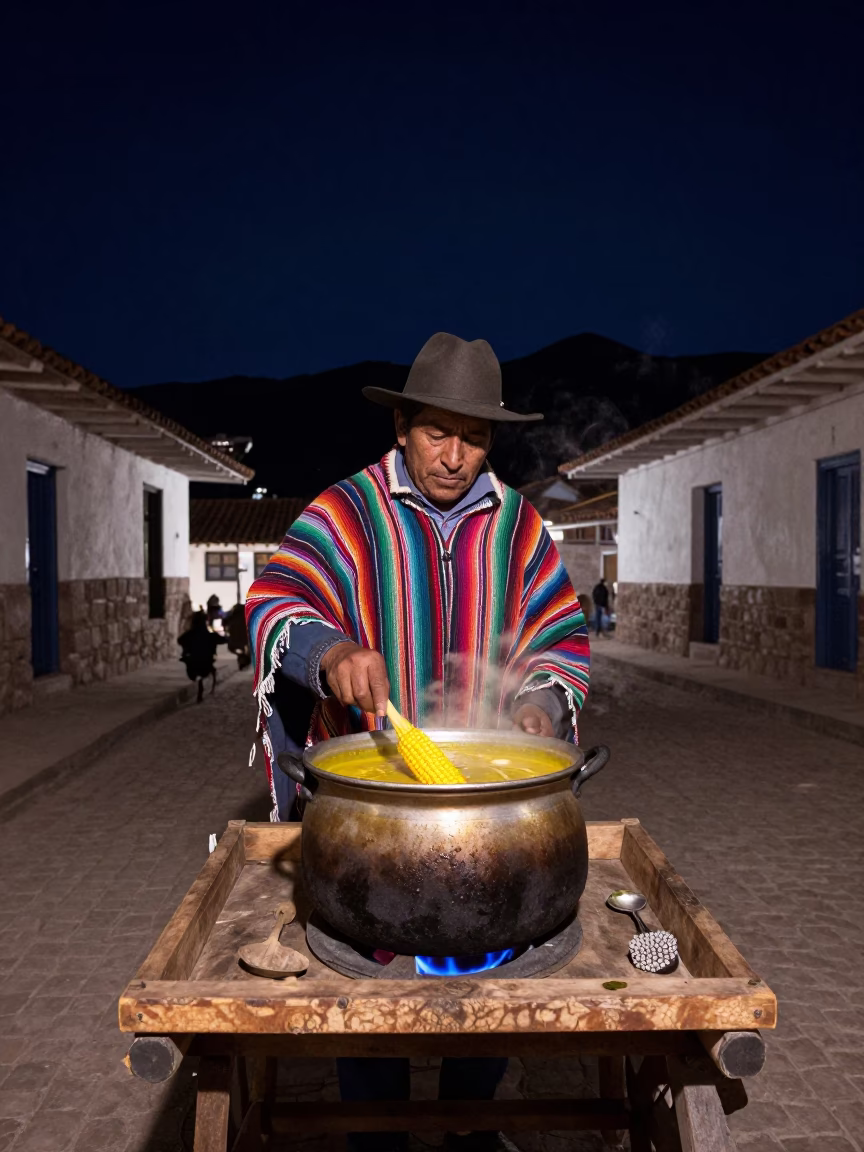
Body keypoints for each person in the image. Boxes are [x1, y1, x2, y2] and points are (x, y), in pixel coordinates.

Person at [245, 332, 591, 1152]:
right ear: (400, 425)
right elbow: (273, 603)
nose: (454, 456)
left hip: (489, 810)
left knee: (496, 949)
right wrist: (329, 654)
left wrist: (540, 700)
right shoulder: (346, 511)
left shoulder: (517, 527)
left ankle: (472, 1121)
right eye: (437, 431)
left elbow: (560, 635)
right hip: (373, 807)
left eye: (474, 437)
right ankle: (376, 1127)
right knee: (367, 966)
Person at [177, 611, 227, 702]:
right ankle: (207, 689)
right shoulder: (210, 634)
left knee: (196, 671)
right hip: (206, 662)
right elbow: (223, 640)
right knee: (207, 670)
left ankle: (201, 688)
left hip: (192, 662)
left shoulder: (190, 634)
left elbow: (180, 640)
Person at [224, 603, 252, 670]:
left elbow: (225, 624)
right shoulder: (247, 616)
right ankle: (245, 661)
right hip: (243, 642)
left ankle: (243, 661)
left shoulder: (231, 617)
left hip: (235, 643)